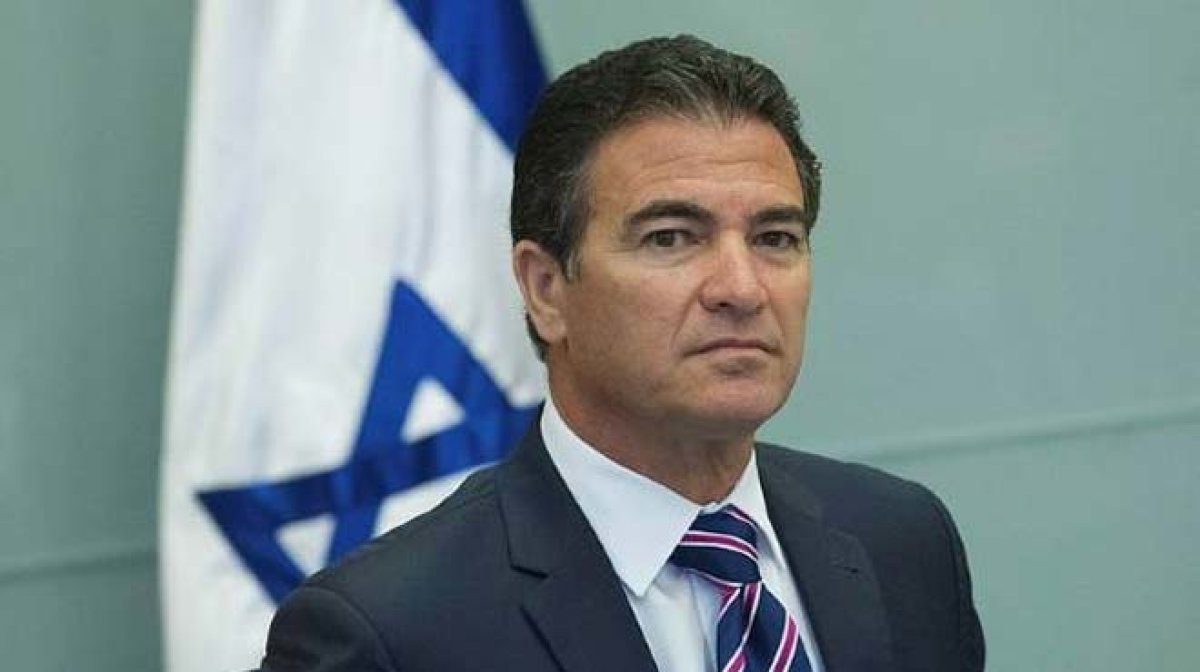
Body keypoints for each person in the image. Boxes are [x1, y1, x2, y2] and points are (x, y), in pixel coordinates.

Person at [258, 35, 985, 672]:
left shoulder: (900, 540)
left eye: (775, 238)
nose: (741, 288)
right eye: (671, 238)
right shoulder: (389, 632)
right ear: (546, 289)